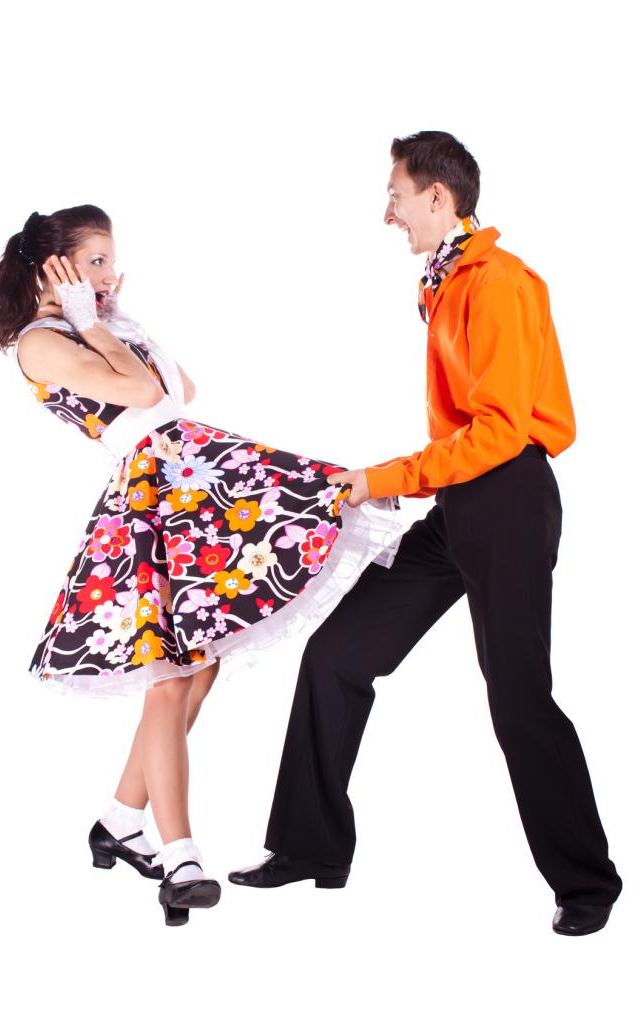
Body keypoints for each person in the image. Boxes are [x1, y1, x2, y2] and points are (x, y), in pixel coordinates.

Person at [228, 130, 623, 937]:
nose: (388, 213)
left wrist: (382, 478)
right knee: (336, 657)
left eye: (396, 195)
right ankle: (311, 846)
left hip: (507, 501)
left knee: (517, 699)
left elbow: (506, 430)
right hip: (461, 507)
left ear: (439, 198)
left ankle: (587, 884)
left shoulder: (499, 280)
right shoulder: (446, 280)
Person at [0, 205, 405, 927]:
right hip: (151, 502)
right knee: (173, 673)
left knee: (201, 664)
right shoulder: (38, 343)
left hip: (194, 480)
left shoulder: (103, 324)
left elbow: (184, 386)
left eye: (110, 261)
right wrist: (92, 321)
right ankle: (180, 855)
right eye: (92, 262)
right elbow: (146, 397)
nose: (108, 275)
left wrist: (114, 315)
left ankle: (122, 819)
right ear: (49, 271)